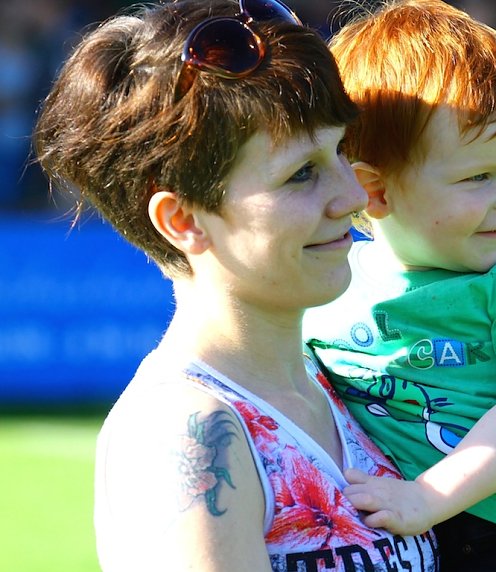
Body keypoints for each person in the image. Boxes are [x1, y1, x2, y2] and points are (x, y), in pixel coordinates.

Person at [32, 0, 439, 570]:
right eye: (301, 173)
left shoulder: (343, 387)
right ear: (184, 221)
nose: (351, 197)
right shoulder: (183, 431)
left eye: (342, 150)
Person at [302, 1, 496, 570]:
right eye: (480, 177)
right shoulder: (330, 283)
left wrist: (428, 496)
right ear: (375, 192)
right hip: (407, 537)